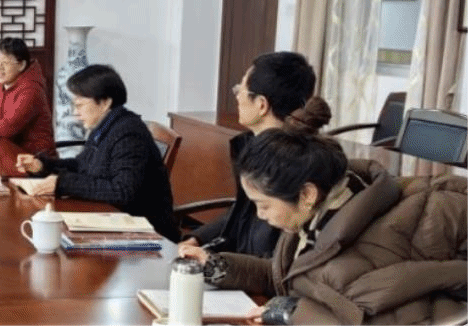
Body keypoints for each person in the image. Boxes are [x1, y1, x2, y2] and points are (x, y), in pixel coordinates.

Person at [178, 130, 468, 326]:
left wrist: (288, 311)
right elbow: (285, 276)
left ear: (306, 194)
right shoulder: (321, 215)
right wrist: (215, 265)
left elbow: (361, 317)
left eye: (263, 205)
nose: (259, 215)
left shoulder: (368, 244)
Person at [179, 51, 332, 258]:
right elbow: (242, 214)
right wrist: (198, 238)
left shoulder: (290, 168)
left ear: (261, 104)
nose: (237, 96)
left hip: (251, 272)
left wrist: (215, 262)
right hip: (231, 263)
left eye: (240, 90)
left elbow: (273, 262)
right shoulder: (253, 148)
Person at [15, 64, 181, 242]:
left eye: (80, 105)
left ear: (105, 102)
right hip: (112, 219)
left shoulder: (128, 133)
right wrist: (43, 166)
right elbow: (81, 165)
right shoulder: (106, 126)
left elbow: (123, 191)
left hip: (146, 234)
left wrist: (62, 183)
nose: (76, 112)